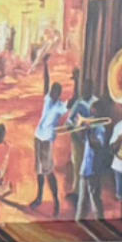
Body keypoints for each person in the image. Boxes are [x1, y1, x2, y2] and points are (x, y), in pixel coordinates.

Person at [33, 76, 69, 211]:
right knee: (39, 171)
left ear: (59, 94)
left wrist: (77, 81)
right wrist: (45, 66)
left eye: (55, 92)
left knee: (48, 172)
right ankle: (39, 197)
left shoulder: (60, 107)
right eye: (52, 91)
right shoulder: (48, 100)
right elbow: (46, 82)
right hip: (38, 137)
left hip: (47, 140)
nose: (52, 94)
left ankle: (56, 201)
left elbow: (71, 103)